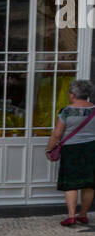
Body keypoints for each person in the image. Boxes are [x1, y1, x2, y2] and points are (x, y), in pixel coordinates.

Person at [45, 79, 95, 226]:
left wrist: (49, 149)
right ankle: (83, 214)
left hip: (71, 150)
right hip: (92, 149)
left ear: (73, 95)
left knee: (71, 183)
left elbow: (57, 134)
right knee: (89, 183)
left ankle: (71, 216)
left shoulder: (66, 112)